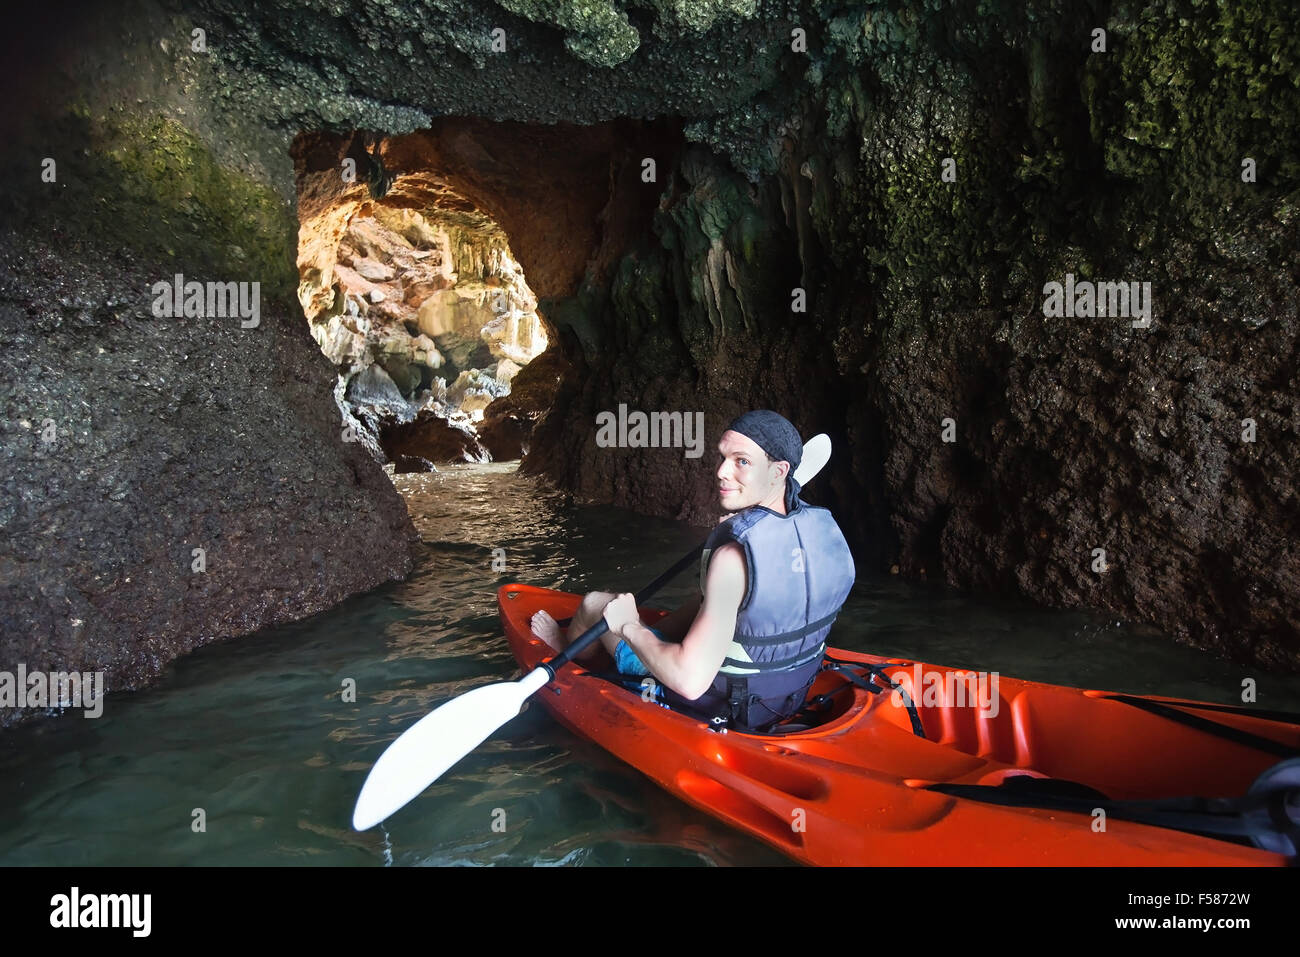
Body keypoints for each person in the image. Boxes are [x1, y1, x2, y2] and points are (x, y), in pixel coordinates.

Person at [531, 410, 856, 731]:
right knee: (705, 602)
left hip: (720, 703)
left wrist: (629, 626)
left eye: (741, 461)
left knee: (594, 605)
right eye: (723, 457)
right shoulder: (823, 531)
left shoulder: (732, 558)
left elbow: (690, 682)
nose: (721, 471)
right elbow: (766, 586)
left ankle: (565, 654)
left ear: (778, 472)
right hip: (788, 693)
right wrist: (748, 528)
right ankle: (642, 640)